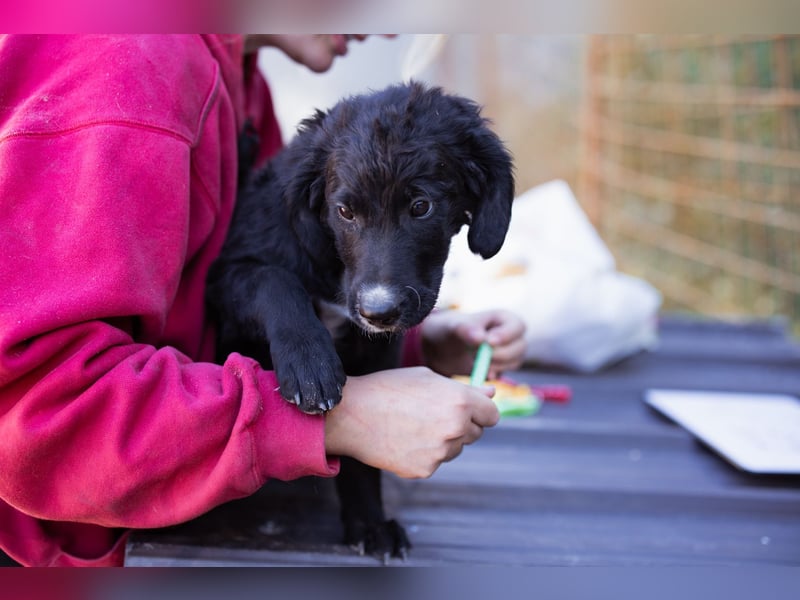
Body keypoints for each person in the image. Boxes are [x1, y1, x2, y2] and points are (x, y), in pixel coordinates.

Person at [0, 34, 525, 567]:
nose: (390, 29)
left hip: (190, 509)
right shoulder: (123, 74)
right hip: (64, 549)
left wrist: (420, 346)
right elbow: (35, 417)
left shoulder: (239, 86)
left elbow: (248, 302)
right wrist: (335, 422)